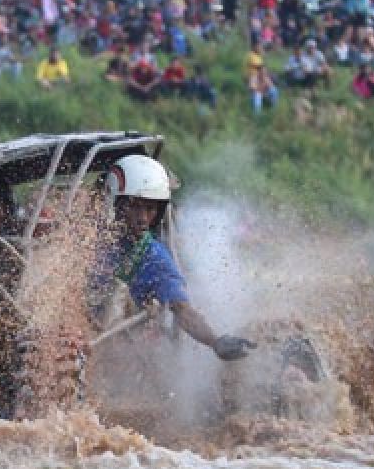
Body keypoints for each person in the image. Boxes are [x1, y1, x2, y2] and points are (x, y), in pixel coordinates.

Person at [89, 155, 256, 362]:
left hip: (114, 351)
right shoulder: (85, 239)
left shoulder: (153, 257)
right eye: (135, 206)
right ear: (116, 204)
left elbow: (182, 310)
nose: (142, 218)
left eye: (150, 209)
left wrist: (215, 341)